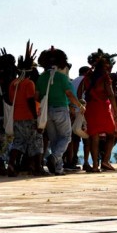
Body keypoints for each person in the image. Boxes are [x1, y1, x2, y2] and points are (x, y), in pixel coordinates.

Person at [36, 47, 85, 176]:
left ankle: (58, 168)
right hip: (61, 110)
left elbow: (37, 96)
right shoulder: (62, 78)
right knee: (66, 137)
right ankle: (55, 157)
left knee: (54, 140)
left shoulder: (41, 78)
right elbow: (69, 95)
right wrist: (80, 106)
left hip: (47, 111)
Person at [7, 43, 48, 176]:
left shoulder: (13, 84)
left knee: (19, 142)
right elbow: (30, 100)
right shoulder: (28, 83)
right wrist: (36, 118)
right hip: (29, 117)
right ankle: (37, 168)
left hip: (16, 117)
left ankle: (11, 164)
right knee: (36, 142)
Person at [77, 49, 117, 172]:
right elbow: (110, 95)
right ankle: (105, 161)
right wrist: (116, 111)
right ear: (105, 65)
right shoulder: (105, 77)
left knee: (93, 136)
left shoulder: (87, 77)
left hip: (91, 108)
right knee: (111, 134)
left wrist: (82, 104)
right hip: (104, 108)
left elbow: (79, 93)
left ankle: (95, 165)